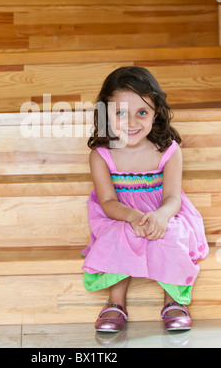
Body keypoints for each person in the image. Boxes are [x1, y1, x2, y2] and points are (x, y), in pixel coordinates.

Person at [81, 66, 209, 332]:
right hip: (121, 213)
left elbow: (173, 196)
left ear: (156, 112)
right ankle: (115, 303)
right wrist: (133, 217)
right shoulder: (102, 155)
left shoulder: (169, 150)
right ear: (105, 114)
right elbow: (106, 202)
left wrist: (161, 216)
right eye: (120, 113)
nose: (131, 122)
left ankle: (174, 301)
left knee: (171, 235)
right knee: (120, 236)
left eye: (142, 112)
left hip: (164, 211)